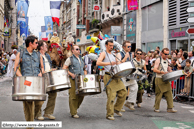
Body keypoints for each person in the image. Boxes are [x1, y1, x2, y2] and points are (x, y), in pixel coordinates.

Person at [14, 36, 45, 126]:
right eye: (36, 43)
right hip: (27, 81)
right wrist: (22, 78)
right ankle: (30, 125)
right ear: (30, 43)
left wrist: (41, 73)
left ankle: (33, 116)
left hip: (37, 81)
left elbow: (42, 67)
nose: (37, 44)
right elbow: (16, 68)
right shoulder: (21, 54)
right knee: (29, 103)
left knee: (40, 101)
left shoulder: (38, 55)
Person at [96, 39, 127, 120]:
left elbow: (118, 63)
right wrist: (109, 63)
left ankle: (116, 109)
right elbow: (98, 62)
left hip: (116, 75)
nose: (111, 47)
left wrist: (124, 58)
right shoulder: (103, 53)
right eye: (110, 45)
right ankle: (109, 114)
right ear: (106, 45)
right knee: (111, 96)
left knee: (124, 92)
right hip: (108, 76)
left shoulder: (114, 54)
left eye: (112, 46)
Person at [62, 45, 87, 118]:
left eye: (79, 49)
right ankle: (73, 112)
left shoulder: (81, 59)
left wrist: (85, 76)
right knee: (73, 96)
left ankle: (75, 108)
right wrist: (71, 74)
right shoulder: (70, 59)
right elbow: (64, 68)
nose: (79, 50)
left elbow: (84, 68)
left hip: (81, 79)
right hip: (73, 79)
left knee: (82, 95)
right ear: (72, 51)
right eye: (77, 49)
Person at [37, 40, 57, 120]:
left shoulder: (47, 55)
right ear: (41, 47)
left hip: (49, 77)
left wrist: (52, 69)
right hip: (41, 78)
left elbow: (49, 65)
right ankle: (38, 114)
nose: (47, 47)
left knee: (53, 94)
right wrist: (40, 72)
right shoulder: (37, 55)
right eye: (45, 45)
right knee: (40, 96)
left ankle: (48, 112)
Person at [153, 48, 177, 113]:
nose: (166, 55)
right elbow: (154, 69)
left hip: (166, 79)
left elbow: (169, 69)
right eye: (165, 54)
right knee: (159, 94)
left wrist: (172, 73)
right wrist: (162, 72)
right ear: (162, 53)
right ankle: (156, 108)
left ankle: (170, 108)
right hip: (159, 78)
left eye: (167, 54)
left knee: (169, 93)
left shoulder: (167, 60)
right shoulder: (158, 60)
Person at [116, 41, 138, 111]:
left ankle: (129, 102)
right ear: (124, 47)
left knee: (135, 86)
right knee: (123, 91)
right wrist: (125, 57)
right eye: (128, 46)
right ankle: (120, 106)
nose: (130, 48)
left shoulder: (131, 54)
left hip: (129, 73)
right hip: (122, 74)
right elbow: (118, 63)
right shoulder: (119, 54)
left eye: (130, 46)